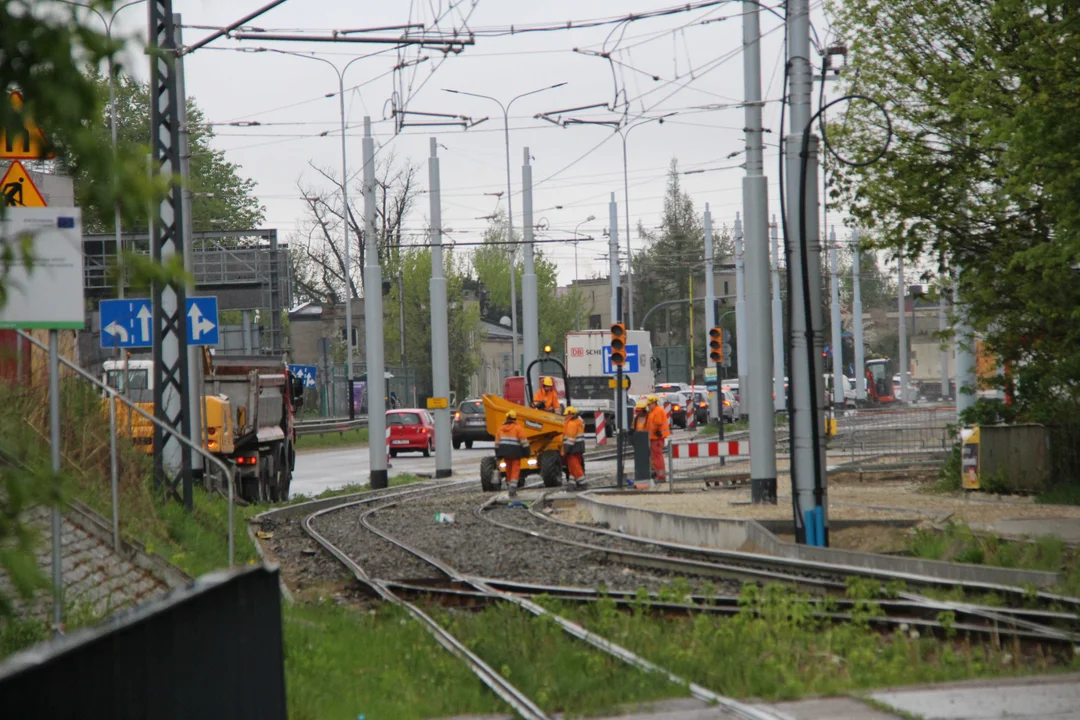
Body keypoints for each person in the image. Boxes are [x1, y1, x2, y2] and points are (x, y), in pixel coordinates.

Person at [494, 410, 529, 490]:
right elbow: (524, 442)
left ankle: (509, 482)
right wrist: (527, 452)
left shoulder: (500, 429)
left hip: (504, 452)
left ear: (506, 418)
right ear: (515, 418)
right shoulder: (518, 428)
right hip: (515, 453)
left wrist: (498, 454)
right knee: (515, 468)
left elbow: (497, 443)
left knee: (508, 467)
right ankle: (513, 485)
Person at [645, 395, 671, 482]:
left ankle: (661, 477)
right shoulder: (653, 411)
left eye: (649, 404)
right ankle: (658, 475)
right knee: (655, 457)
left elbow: (657, 423)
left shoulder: (658, 411)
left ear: (654, 403)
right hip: (654, 438)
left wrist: (655, 431)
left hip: (657, 438)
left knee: (657, 458)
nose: (648, 406)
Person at [562, 406, 586, 486]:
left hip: (573, 449)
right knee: (572, 466)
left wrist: (566, 450)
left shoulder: (571, 424)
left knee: (575, 466)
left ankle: (582, 483)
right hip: (578, 448)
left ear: (570, 415)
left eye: (566, 415)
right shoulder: (578, 422)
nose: (565, 417)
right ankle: (572, 483)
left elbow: (570, 439)